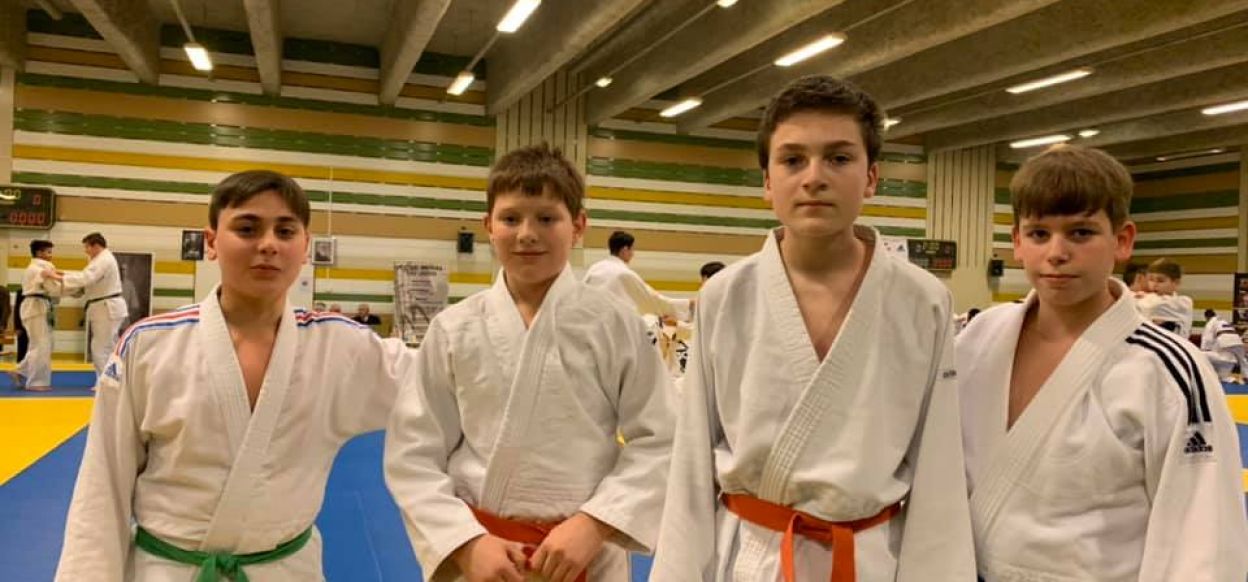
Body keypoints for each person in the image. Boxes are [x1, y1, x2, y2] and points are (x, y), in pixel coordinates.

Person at [650, 76, 973, 581]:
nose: (814, 177)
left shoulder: (923, 301)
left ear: (871, 177)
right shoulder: (726, 296)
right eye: (793, 159)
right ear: (766, 181)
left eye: (839, 158)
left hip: (867, 561)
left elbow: (939, 475)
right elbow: (690, 461)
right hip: (753, 557)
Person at [55, 170, 413, 581]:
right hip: (168, 571)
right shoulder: (149, 347)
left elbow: (450, 381)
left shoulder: (342, 346)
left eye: (285, 231)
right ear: (211, 242)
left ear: (305, 245)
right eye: (247, 228)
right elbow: (103, 488)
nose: (268, 245)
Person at [385, 144, 675, 582]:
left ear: (578, 226)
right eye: (510, 218)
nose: (526, 233)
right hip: (487, 557)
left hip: (584, 557)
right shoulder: (454, 328)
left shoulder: (615, 324)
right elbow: (413, 454)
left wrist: (596, 524)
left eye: (546, 218)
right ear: (488, 226)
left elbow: (660, 438)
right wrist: (465, 543)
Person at [957, 145, 1248, 580]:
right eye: (1039, 233)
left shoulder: (1168, 369)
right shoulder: (979, 339)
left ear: (1123, 240)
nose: (1056, 252)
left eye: (1080, 233)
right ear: (1016, 241)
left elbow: (1202, 530)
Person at [44, 232, 128, 379]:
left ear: (95, 246)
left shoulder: (104, 260)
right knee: (109, 347)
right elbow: (85, 276)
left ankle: (106, 381)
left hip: (106, 307)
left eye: (87, 247)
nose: (86, 251)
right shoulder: (101, 259)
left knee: (99, 348)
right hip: (106, 307)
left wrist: (55, 276)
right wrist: (62, 273)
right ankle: (116, 378)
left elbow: (86, 278)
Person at [583, 230, 692, 321]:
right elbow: (652, 300)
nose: (633, 254)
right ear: (625, 250)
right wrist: (687, 304)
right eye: (632, 249)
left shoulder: (595, 267)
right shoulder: (623, 273)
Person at [9, 240, 61, 391]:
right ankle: (36, 382)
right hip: (35, 306)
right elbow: (51, 285)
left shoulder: (36, 267)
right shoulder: (41, 266)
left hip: (38, 306)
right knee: (41, 345)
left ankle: (19, 370)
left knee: (42, 344)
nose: (51, 256)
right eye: (48, 252)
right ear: (39, 253)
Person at [1137, 258, 1195, 338]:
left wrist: (1140, 297)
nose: (1154, 284)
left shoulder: (1183, 303)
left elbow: (1154, 305)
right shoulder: (1148, 298)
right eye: (1151, 279)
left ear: (1176, 283)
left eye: (1160, 280)